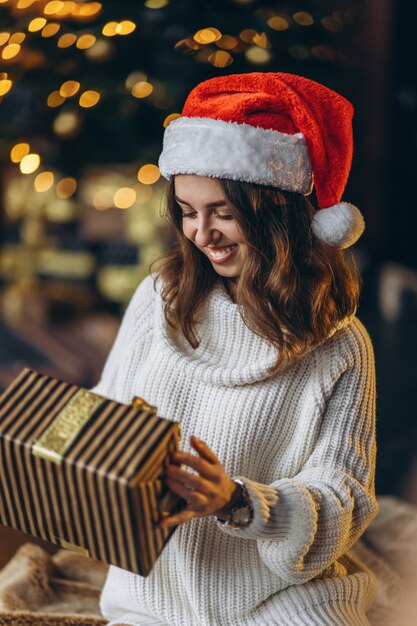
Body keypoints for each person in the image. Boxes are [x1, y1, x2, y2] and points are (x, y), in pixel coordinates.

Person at [94, 72, 378, 625]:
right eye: (187, 211)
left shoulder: (342, 344)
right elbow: (105, 416)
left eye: (224, 212)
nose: (202, 234)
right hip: (154, 596)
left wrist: (240, 502)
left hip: (279, 599)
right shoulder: (160, 299)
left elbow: (343, 498)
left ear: (278, 214)